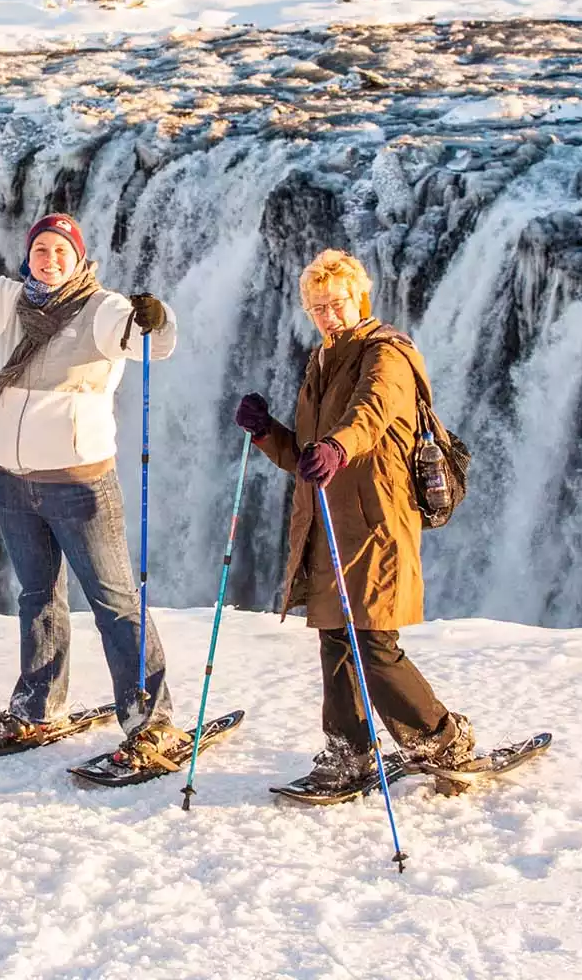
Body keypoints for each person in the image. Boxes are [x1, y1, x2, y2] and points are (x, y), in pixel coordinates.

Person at [0, 169, 189, 773]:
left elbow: (150, 345)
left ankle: (152, 723)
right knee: (37, 597)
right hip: (13, 481)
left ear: (79, 259)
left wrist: (156, 321)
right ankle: (37, 705)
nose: (49, 259)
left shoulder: (104, 310)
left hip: (80, 484)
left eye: (60, 251)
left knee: (114, 602)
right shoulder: (11, 303)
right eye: (40, 250)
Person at [234, 248, 475, 792]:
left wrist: (340, 448)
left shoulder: (385, 353)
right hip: (325, 522)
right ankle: (350, 751)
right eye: (318, 307)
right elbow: (306, 456)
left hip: (375, 521)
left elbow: (371, 412)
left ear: (359, 298)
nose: (329, 315)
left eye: (337, 303)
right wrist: (265, 431)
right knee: (335, 639)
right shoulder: (321, 360)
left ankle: (440, 739)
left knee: (373, 644)